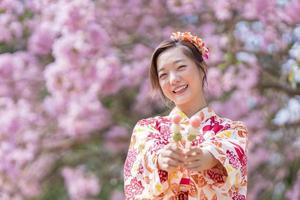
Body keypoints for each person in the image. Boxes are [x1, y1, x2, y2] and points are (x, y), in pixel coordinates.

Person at [124, 32, 248, 200]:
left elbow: (231, 153)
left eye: (181, 67)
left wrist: (209, 157)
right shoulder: (146, 128)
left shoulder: (233, 130)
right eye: (163, 75)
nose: (173, 79)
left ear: (202, 69)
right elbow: (138, 172)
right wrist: (160, 160)